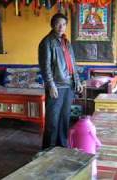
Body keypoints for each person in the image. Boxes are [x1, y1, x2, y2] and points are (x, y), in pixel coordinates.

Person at [38, 13, 83, 149]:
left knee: (64, 119)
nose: (61, 27)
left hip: (69, 86)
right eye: (58, 23)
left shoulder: (66, 42)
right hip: (56, 86)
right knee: (52, 120)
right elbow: (45, 67)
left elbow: (72, 64)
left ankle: (62, 146)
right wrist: (50, 85)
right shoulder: (47, 42)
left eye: (63, 24)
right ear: (52, 25)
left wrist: (78, 81)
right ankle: (48, 149)